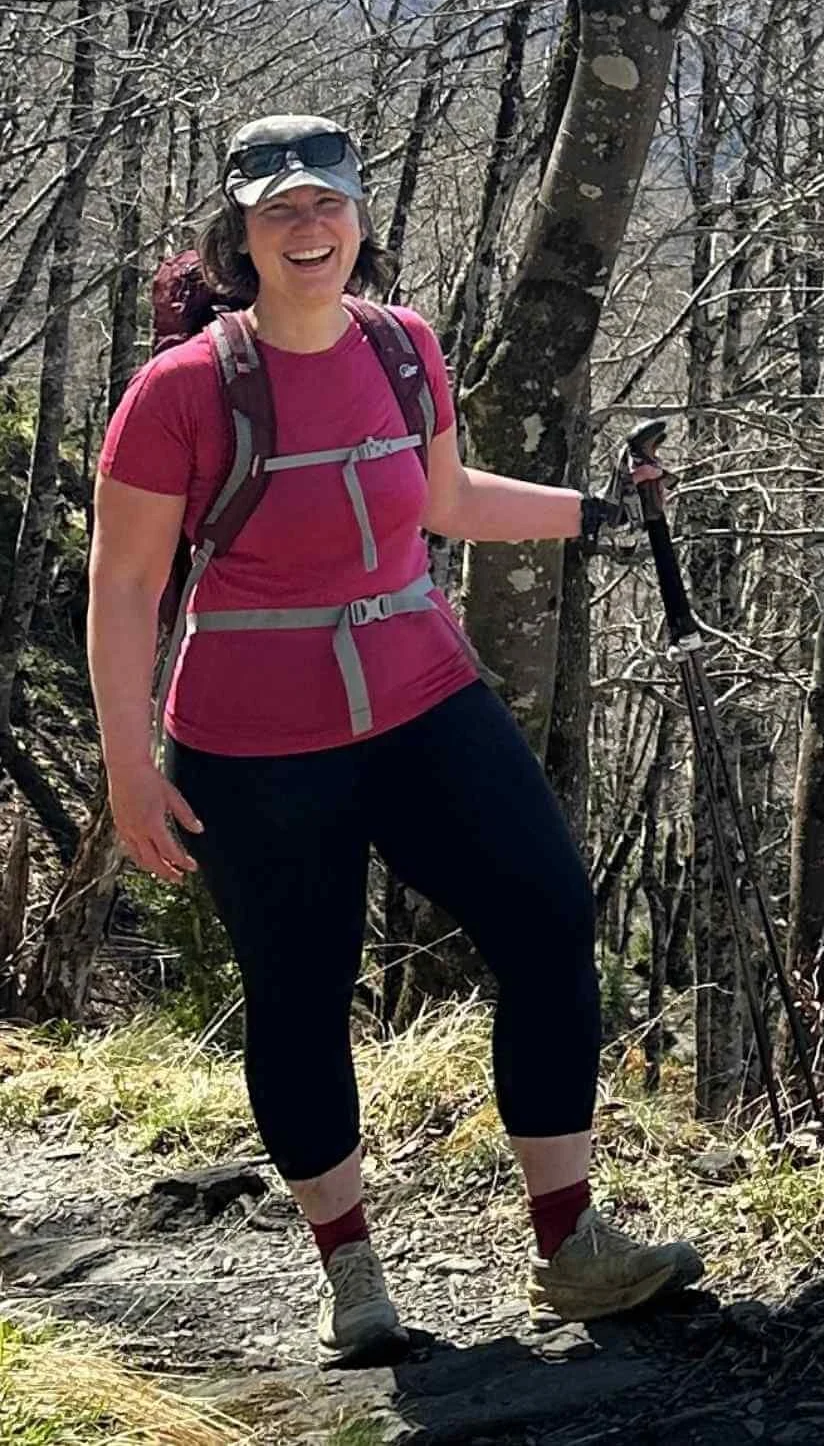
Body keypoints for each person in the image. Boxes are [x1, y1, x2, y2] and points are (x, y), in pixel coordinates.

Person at [87, 113, 702, 1359]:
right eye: (279, 213)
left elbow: (447, 503)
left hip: (422, 697)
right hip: (254, 740)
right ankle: (351, 1269)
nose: (308, 229)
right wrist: (128, 767)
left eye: (326, 206)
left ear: (358, 218)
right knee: (301, 993)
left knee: (545, 911)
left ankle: (572, 1242)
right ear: (241, 237)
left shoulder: (404, 347)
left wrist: (598, 514)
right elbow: (125, 591)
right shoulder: (181, 393)